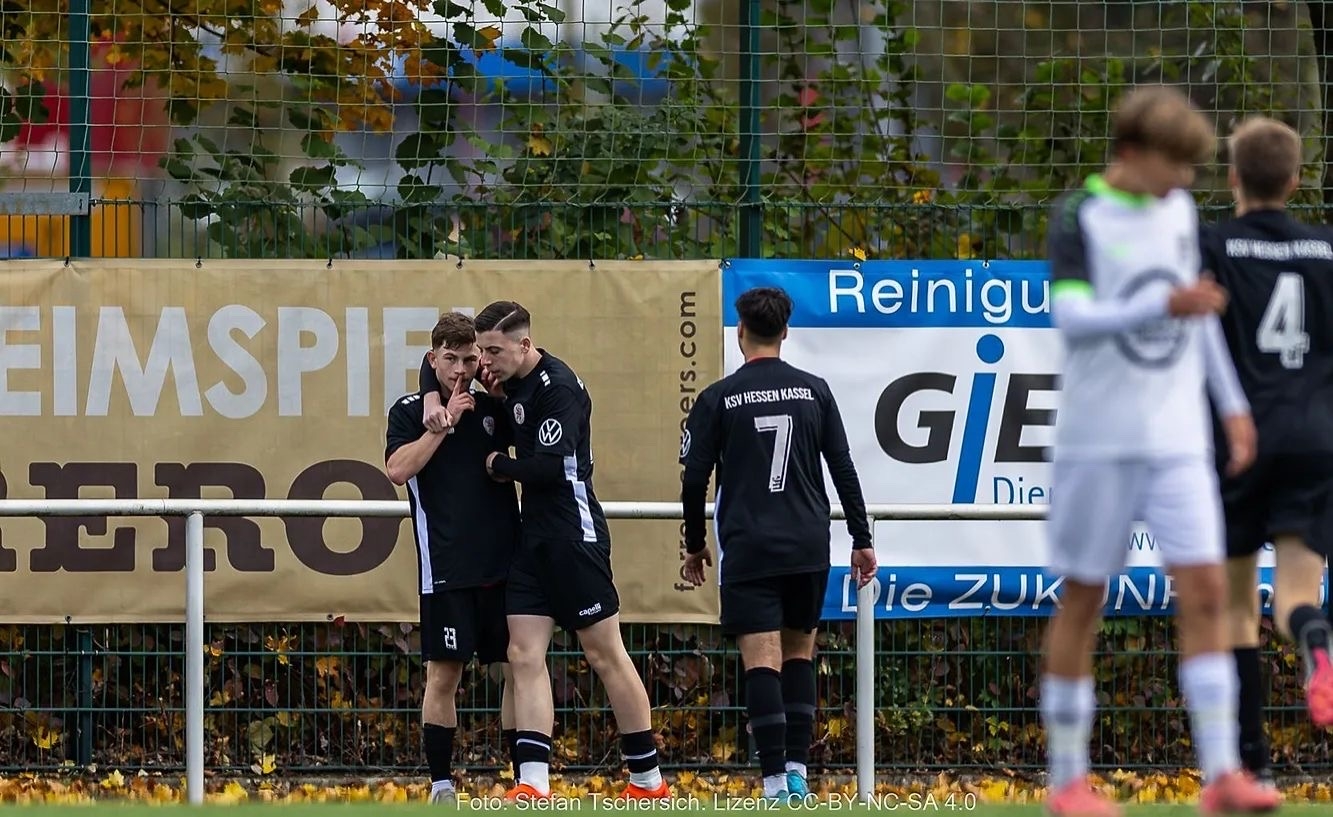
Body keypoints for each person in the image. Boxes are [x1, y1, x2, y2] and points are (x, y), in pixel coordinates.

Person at [1039, 85, 1280, 817]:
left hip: (1178, 441)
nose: (1184, 181)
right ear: (1132, 153)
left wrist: (1232, 407)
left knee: (1206, 591)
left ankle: (1221, 774)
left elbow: (1198, 314)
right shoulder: (1079, 213)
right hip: (1098, 441)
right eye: (1174, 164)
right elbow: (1071, 316)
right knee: (1084, 597)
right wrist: (1159, 304)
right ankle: (1068, 780)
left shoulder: (1178, 213)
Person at [420, 302, 670, 802]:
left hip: (573, 538)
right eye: (481, 352)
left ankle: (648, 780)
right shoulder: (506, 380)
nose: (484, 362)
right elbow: (439, 361)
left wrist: (499, 464)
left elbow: (549, 469)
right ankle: (533, 783)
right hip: (531, 543)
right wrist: (431, 393)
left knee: (604, 653)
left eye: (492, 352)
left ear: (524, 345)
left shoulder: (559, 388)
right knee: (523, 654)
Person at [677, 286, 878, 803]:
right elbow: (843, 468)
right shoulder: (815, 390)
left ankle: (772, 784)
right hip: (807, 543)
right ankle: (797, 773)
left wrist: (695, 543)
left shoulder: (717, 398)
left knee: (761, 660)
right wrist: (861, 538)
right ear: (785, 332)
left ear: (740, 332)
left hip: (749, 545)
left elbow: (694, 479)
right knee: (798, 654)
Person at [1202, 115, 1333, 785]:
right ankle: (1316, 640)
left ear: (1232, 176)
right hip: (1314, 439)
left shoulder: (1212, 245)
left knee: (1233, 608)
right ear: (1295, 180)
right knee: (1296, 594)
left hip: (1238, 441)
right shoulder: (1326, 250)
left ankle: (1252, 765)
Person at [385, 312, 521, 803]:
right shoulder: (410, 411)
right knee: (444, 675)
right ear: (433, 359)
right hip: (446, 569)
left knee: (518, 669)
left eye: (468, 359)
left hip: (505, 566)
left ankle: (524, 779)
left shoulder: (492, 407)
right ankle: (442, 784)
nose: (459, 370)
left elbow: (530, 442)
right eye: (450, 360)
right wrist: (441, 425)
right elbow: (398, 470)